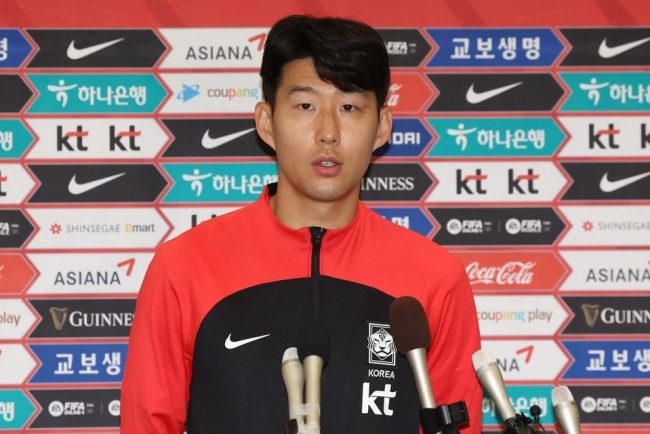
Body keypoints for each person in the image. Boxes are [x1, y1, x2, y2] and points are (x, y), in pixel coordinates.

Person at [121, 15, 482, 433]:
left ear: (382, 127)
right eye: (306, 106)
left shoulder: (435, 278)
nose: (328, 132)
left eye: (349, 107)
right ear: (267, 122)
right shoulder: (184, 267)